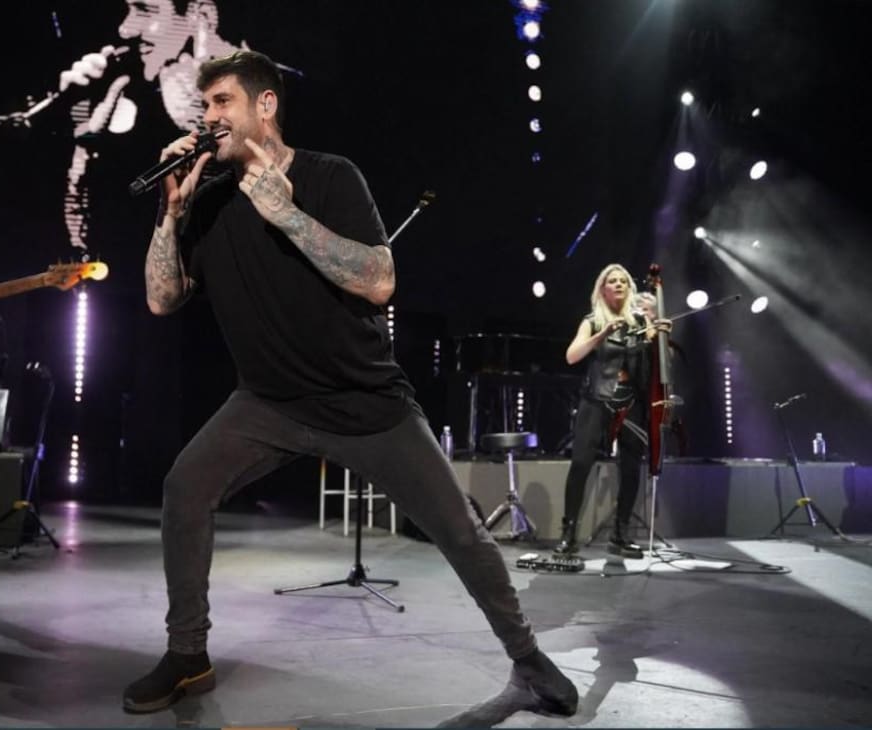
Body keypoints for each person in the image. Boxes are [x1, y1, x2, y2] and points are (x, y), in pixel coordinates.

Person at [122, 50, 578, 718]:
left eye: (223, 103)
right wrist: (171, 210)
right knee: (184, 488)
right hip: (267, 403)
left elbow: (378, 279)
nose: (209, 119)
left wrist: (286, 215)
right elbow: (163, 299)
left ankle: (528, 658)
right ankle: (188, 656)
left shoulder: (330, 177)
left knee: (461, 534)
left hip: (366, 403)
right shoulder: (206, 201)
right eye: (206, 107)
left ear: (264, 105)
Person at [58, 0, 245, 251]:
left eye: (145, 10)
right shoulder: (125, 86)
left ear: (200, 15)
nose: (125, 30)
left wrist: (198, 112)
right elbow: (83, 235)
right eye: (128, 11)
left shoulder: (269, 91)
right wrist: (78, 119)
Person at [552, 264, 670, 561]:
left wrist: (661, 339)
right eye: (612, 281)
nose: (618, 285)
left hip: (632, 401)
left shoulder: (643, 320)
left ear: (629, 288)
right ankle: (568, 533)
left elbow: (660, 364)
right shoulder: (592, 321)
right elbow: (572, 356)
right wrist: (602, 333)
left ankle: (621, 534)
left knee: (630, 467)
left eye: (623, 281)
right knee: (580, 463)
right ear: (602, 288)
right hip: (597, 399)